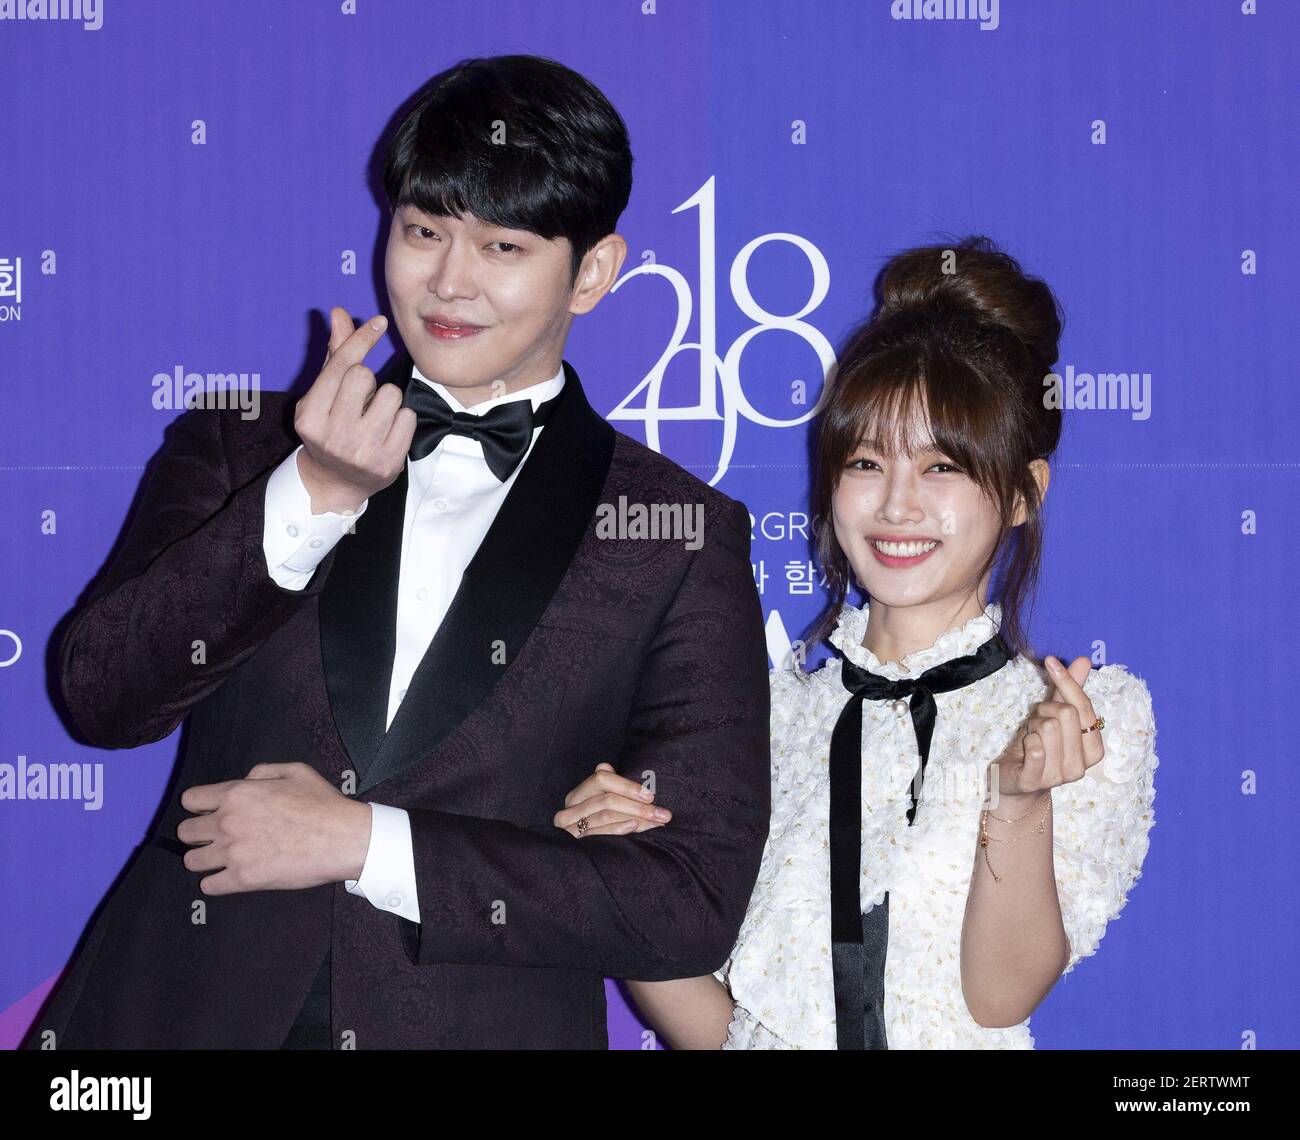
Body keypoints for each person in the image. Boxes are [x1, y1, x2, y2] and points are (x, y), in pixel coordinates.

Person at [24, 54, 770, 1050]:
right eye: (422, 231)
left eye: (502, 247)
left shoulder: (675, 533)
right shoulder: (245, 445)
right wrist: (314, 495)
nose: (448, 282)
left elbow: (688, 901)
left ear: (591, 272)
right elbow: (101, 695)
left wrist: (368, 844)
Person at [556, 237, 1158, 1049]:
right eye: (867, 461)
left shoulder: (1072, 721)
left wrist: (1017, 803)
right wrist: (622, 878)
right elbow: (727, 1034)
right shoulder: (754, 718)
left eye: (942, 468)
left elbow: (998, 996)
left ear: (1023, 490)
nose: (896, 506)